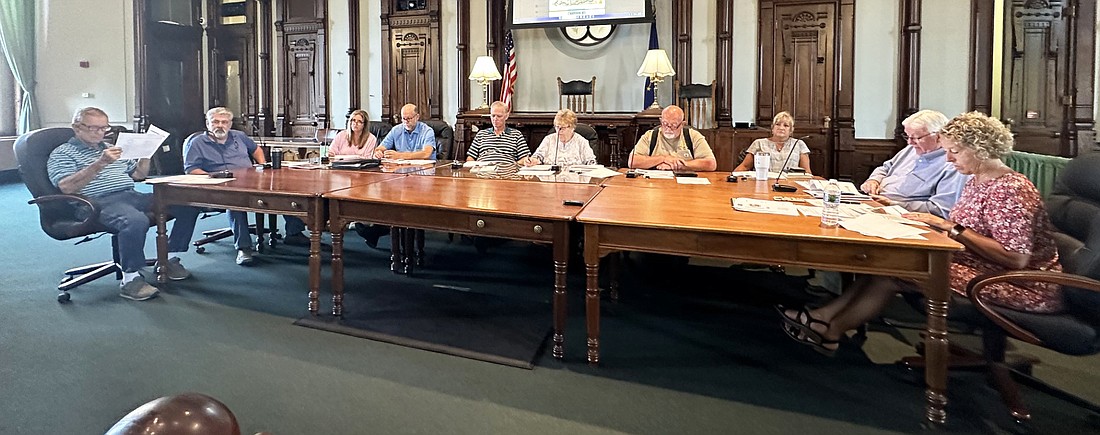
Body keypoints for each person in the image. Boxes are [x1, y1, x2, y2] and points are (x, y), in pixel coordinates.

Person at [778, 111, 1063, 356]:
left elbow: (1016, 259)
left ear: (980, 149)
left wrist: (953, 228)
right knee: (888, 263)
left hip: (1020, 284)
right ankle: (825, 319)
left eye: (954, 151)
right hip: (976, 262)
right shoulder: (979, 179)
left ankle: (829, 327)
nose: (948, 158)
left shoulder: (1009, 189)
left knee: (897, 269)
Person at [47, 107, 198, 301]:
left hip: (130, 194)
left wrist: (146, 154)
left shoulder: (108, 148)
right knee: (135, 220)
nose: (100, 133)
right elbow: (66, 187)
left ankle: (167, 258)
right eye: (93, 128)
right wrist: (100, 163)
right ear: (77, 128)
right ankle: (130, 279)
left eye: (104, 128)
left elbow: (138, 175)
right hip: (95, 202)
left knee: (187, 202)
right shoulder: (63, 153)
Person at [184, 107, 311, 264]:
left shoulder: (239, 136)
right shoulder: (197, 143)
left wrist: (263, 165)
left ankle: (294, 233)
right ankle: (244, 248)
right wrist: (213, 177)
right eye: (215, 122)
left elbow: (256, 149)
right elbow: (191, 169)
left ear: (230, 124)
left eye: (224, 122)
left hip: (250, 180)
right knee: (235, 202)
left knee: (285, 189)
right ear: (208, 123)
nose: (220, 125)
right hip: (219, 185)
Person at [860, 109, 968, 218]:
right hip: (874, 204)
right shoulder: (912, 149)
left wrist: (893, 204)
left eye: (916, 137)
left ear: (939, 136)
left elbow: (940, 209)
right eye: (907, 136)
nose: (909, 142)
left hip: (904, 216)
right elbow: (886, 167)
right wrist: (874, 180)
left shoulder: (952, 165)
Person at [628, 105, 717, 171]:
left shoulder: (693, 136)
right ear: (660, 121)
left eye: (673, 125)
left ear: (682, 124)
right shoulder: (650, 136)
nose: (668, 129)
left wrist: (680, 165)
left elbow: (711, 164)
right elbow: (632, 162)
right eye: (665, 124)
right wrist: (664, 158)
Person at [733, 111, 812, 174]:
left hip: (791, 185)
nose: (781, 128)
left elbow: (806, 172)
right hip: (763, 183)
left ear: (791, 130)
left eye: (786, 125)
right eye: (778, 124)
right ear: (772, 128)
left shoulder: (799, 144)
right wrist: (732, 177)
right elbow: (745, 167)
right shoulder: (759, 143)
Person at [522, 108, 597, 167]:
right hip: (550, 182)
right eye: (557, 127)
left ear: (572, 128)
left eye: (562, 128)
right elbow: (538, 156)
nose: (558, 131)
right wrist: (532, 161)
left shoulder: (581, 141)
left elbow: (591, 163)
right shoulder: (549, 139)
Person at [466, 101, 529, 165]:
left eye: (499, 116)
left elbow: (525, 158)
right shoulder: (481, 134)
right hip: (483, 170)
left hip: (507, 171)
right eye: (493, 116)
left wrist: (513, 165)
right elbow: (470, 157)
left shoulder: (516, 135)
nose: (495, 119)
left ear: (506, 116)